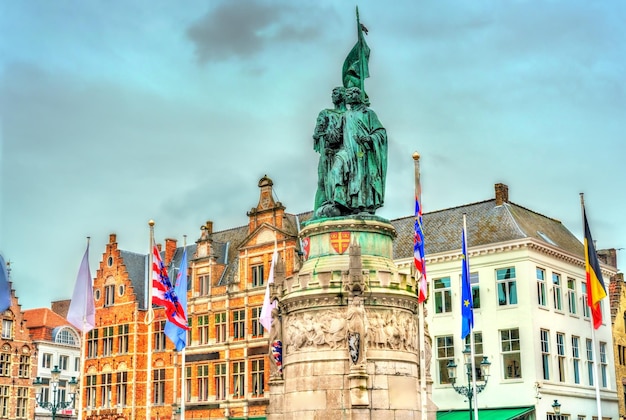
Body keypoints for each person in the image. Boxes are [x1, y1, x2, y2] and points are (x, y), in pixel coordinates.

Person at [313, 87, 346, 218]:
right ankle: (316, 215)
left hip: (344, 153)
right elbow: (317, 134)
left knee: (341, 181)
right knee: (322, 182)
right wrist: (327, 140)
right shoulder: (325, 113)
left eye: (336, 93)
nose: (333, 95)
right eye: (332, 93)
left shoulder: (349, 115)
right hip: (327, 152)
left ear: (343, 96)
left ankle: (340, 205)